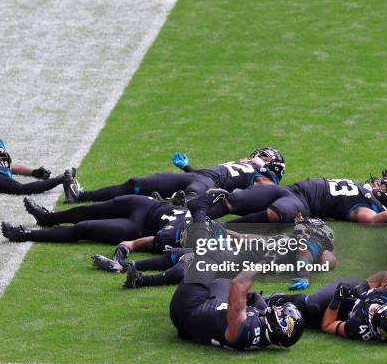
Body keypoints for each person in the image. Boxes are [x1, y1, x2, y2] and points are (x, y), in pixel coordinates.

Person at [93, 216, 336, 290]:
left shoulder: (311, 241)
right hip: (235, 251)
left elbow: (311, 254)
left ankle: (141, 280)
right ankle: (124, 267)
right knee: (182, 253)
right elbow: (255, 239)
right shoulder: (291, 239)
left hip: (238, 262)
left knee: (193, 263)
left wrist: (305, 275)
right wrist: (227, 232)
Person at [62, 148, 284, 204]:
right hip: (200, 178)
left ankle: (177, 206)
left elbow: (262, 193)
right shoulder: (241, 165)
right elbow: (204, 176)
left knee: (193, 194)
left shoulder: (265, 178)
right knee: (136, 184)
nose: (256, 156)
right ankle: (80, 196)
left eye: (263, 156)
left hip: (208, 184)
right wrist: (187, 167)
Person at [195, 170, 387, 224]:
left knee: (277, 213)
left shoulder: (366, 207)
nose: (378, 184)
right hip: (290, 189)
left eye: (383, 187)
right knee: (232, 201)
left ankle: (219, 232)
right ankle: (193, 224)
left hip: (301, 204)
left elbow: (375, 222)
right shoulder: (360, 189)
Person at [267, 271, 387, 343]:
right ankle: (271, 299)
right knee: (311, 305)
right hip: (355, 289)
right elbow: (383, 276)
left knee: (309, 311)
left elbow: (328, 325)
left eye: (374, 313)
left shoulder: (361, 329)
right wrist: (361, 288)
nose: (374, 308)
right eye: (379, 307)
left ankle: (272, 305)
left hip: (338, 310)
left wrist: (337, 299)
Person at [169, 273, 305, 350]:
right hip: (200, 315)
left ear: (281, 325)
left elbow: (237, 288)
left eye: (282, 312)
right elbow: (257, 303)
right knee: (222, 281)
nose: (278, 308)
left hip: (188, 308)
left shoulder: (246, 329)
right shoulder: (262, 332)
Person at [1, 194, 190, 245]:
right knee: (90, 210)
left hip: (139, 227)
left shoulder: (184, 242)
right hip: (147, 205)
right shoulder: (206, 218)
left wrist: (130, 248)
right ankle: (47, 217)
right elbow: (210, 199)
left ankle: (24, 235)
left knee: (84, 228)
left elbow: (158, 243)